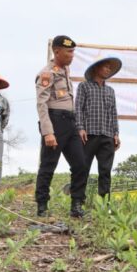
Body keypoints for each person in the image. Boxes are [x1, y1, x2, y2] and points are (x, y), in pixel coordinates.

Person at [34, 35, 88, 218]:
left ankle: (77, 205)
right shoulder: (47, 74)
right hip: (54, 122)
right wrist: (48, 132)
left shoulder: (65, 71)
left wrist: (78, 127)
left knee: (80, 164)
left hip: (70, 122)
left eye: (73, 51)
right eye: (69, 52)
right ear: (56, 51)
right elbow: (41, 104)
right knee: (48, 165)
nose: (72, 55)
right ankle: (42, 206)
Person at [77, 57, 122, 199]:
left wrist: (116, 133)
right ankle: (78, 201)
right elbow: (78, 108)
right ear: (96, 68)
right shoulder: (84, 86)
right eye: (105, 67)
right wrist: (80, 128)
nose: (108, 69)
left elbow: (113, 113)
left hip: (107, 135)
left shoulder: (110, 90)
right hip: (88, 134)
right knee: (82, 169)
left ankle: (104, 203)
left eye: (110, 67)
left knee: (105, 171)